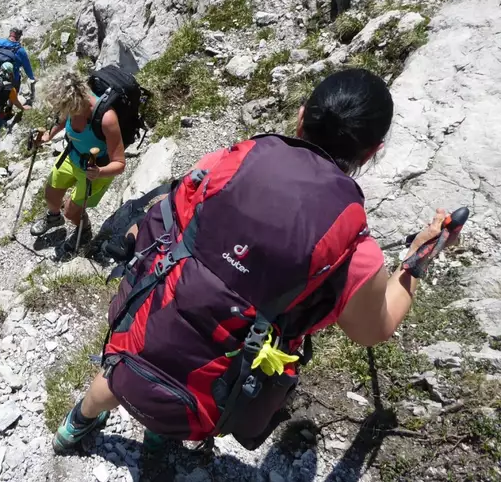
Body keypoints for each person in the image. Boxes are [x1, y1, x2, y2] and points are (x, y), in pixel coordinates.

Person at [51, 68, 459, 454]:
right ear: (372, 152)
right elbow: (374, 328)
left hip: (146, 329)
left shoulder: (222, 164)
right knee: (185, 388)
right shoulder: (353, 246)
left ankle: (75, 425)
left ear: (301, 118)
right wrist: (416, 261)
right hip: (212, 386)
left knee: (117, 375)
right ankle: (160, 435)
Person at [30, 71, 126, 254]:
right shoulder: (72, 106)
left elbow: (120, 164)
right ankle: (53, 218)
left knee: (71, 211)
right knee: (51, 193)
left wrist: (99, 172)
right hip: (71, 155)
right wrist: (47, 136)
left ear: (72, 101)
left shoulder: (106, 118)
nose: (59, 110)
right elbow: (62, 120)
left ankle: (85, 231)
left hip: (94, 170)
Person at [0, 27, 36, 93]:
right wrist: (31, 77)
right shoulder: (20, 50)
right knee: (14, 90)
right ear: (18, 36)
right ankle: (12, 102)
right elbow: (27, 67)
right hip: (12, 79)